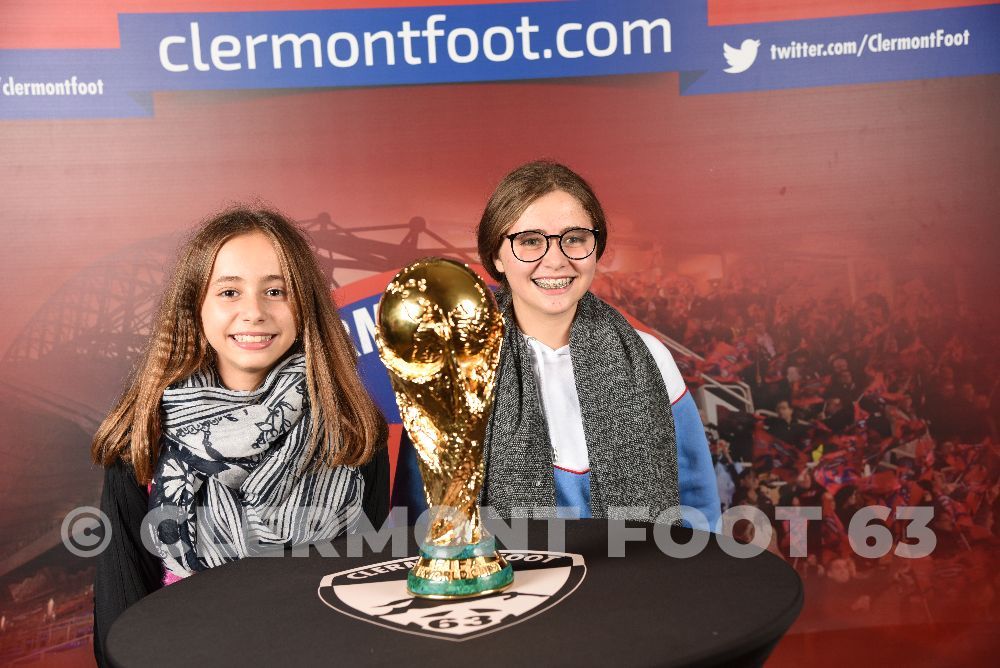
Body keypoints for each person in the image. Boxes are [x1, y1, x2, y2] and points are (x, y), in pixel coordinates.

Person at [91, 207, 389, 666]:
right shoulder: (142, 433)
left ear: (304, 304)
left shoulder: (351, 428)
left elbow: (367, 590)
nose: (254, 312)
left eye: (276, 291)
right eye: (229, 292)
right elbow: (119, 615)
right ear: (196, 307)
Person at [476, 160, 720, 528]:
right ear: (497, 254)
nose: (555, 261)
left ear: (596, 248)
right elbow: (425, 515)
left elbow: (697, 503)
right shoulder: (461, 366)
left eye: (574, 239)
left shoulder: (650, 357)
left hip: (641, 580)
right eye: (529, 241)